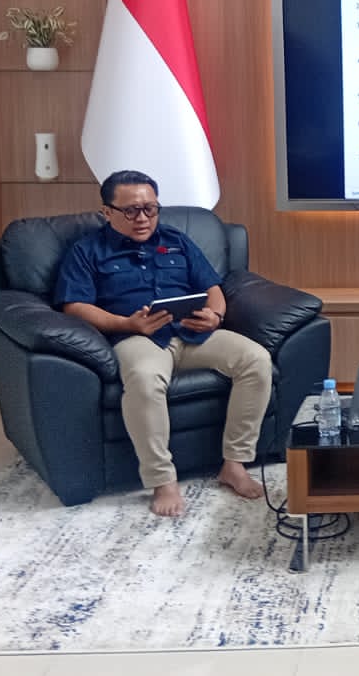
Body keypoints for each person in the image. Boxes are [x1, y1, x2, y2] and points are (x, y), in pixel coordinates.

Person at [55, 170, 272, 517]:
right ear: (107, 212)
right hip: (137, 337)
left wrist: (215, 316)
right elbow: (74, 305)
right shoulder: (87, 251)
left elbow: (213, 288)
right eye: (131, 211)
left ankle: (234, 463)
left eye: (150, 209)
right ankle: (162, 480)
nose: (142, 218)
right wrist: (126, 323)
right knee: (144, 380)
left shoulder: (176, 240)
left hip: (191, 331)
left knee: (256, 359)